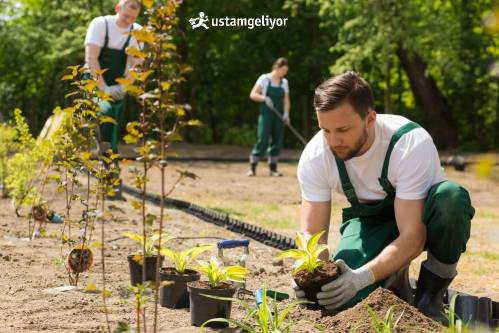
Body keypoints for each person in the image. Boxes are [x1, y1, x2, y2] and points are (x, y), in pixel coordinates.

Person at [293, 72, 474, 322]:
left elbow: (412, 236)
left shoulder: (409, 143)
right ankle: (393, 279)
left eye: (343, 129)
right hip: (370, 222)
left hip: (423, 217)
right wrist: (311, 276)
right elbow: (313, 236)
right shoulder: (315, 156)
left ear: (370, 118)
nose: (334, 141)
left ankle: (429, 297)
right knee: (345, 299)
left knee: (451, 199)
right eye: (325, 130)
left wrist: (363, 277)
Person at [84, 0, 142, 199]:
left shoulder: (137, 31)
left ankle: (112, 183)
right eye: (126, 16)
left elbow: (136, 65)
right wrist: (103, 88)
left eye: (133, 18)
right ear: (118, 9)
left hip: (117, 86)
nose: (129, 21)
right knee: (106, 113)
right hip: (94, 80)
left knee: (114, 128)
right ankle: (110, 177)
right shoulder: (100, 24)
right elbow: (91, 58)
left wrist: (123, 86)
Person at [248, 57, 291, 177]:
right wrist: (264, 98)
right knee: (263, 139)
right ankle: (252, 167)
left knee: (277, 140)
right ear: (277, 68)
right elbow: (253, 94)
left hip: (279, 116)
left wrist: (286, 114)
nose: (284, 73)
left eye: (286, 71)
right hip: (266, 114)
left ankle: (273, 169)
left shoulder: (284, 82)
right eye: (283, 70)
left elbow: (286, 101)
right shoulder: (264, 79)